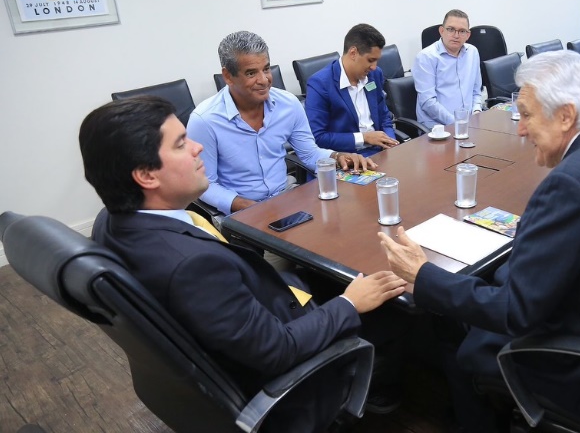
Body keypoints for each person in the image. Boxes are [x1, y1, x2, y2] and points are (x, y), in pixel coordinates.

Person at [378, 51, 580, 432]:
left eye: (527, 114)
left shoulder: (569, 186)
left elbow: (514, 312)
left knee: (452, 330)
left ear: (566, 116)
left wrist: (422, 275)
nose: (520, 129)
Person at [79, 97, 407, 432]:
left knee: (325, 275)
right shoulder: (193, 266)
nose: (197, 148)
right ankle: (374, 392)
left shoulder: (111, 221)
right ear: (146, 176)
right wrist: (350, 302)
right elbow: (278, 350)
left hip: (247, 320)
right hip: (288, 374)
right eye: (181, 144)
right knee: (398, 307)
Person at [187, 30, 377, 216]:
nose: (264, 80)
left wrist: (337, 156)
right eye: (251, 73)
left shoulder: (288, 104)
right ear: (228, 76)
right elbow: (205, 185)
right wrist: (248, 206)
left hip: (286, 199)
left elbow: (309, 153)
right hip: (241, 212)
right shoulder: (205, 120)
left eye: (266, 69)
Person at [305, 23, 399, 157]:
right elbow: (318, 137)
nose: (374, 67)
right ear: (353, 53)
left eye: (377, 61)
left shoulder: (375, 75)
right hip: (347, 158)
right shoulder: (320, 84)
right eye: (370, 60)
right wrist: (364, 138)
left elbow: (384, 117)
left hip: (380, 152)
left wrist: (390, 142)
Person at [412, 9, 483, 130]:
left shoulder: (472, 52)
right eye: (451, 29)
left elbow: (476, 91)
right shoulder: (426, 57)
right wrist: (457, 122)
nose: (456, 35)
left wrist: (477, 111)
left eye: (462, 31)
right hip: (437, 128)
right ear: (442, 31)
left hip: (468, 124)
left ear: (468, 35)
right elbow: (428, 103)